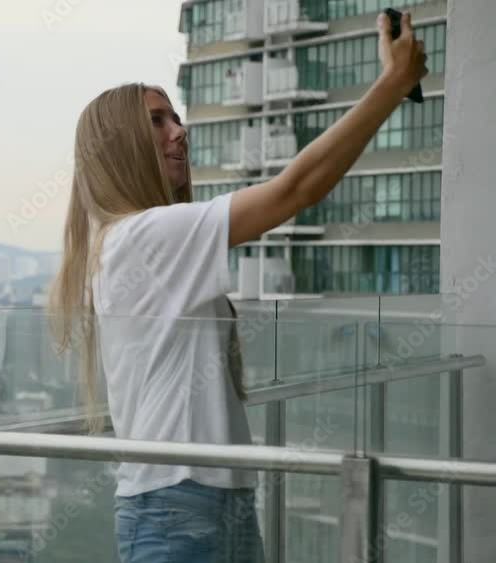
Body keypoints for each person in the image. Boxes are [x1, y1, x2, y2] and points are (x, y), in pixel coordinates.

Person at [47, 10, 427, 563]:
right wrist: (391, 84)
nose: (179, 131)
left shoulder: (134, 240)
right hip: (176, 507)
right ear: (120, 146)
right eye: (156, 121)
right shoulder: (144, 236)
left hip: (212, 499)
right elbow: (295, 189)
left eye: (176, 117)